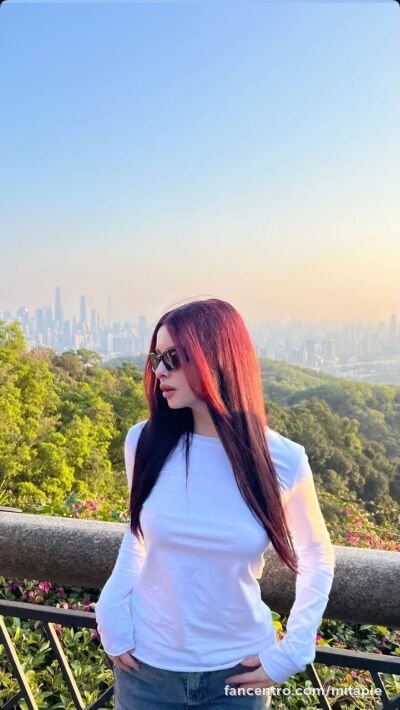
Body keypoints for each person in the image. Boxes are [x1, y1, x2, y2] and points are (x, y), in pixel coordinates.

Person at [95, 297, 336, 709]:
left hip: (238, 675)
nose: (159, 371)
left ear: (218, 359)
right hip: (147, 671)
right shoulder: (144, 442)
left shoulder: (282, 459)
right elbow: (139, 535)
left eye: (174, 358)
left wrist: (295, 649)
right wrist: (110, 609)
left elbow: (317, 553)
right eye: (156, 358)